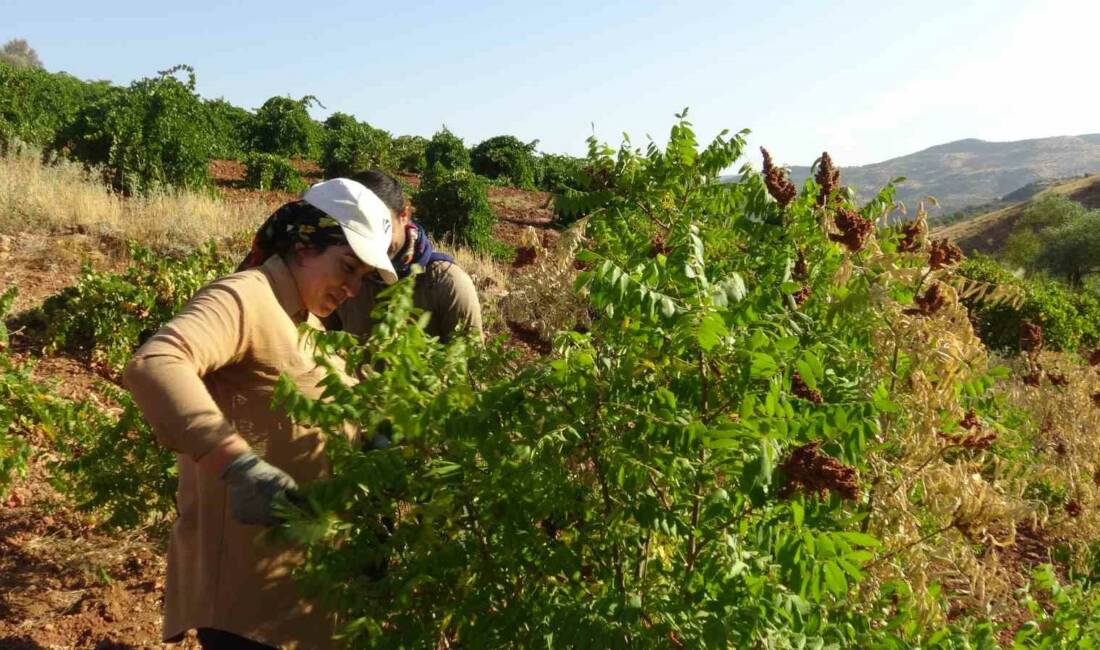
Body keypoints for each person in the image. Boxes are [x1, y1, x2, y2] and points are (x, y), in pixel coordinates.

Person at [123, 179, 396, 650]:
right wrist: (236, 464)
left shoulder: (306, 321)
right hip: (244, 605)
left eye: (362, 277)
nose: (352, 289)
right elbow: (156, 364)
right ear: (304, 245)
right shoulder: (247, 297)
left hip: (295, 597)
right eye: (347, 267)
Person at [325, 169, 482, 343]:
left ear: (404, 216)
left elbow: (470, 362)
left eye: (382, 229)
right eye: (362, 231)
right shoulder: (341, 274)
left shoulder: (447, 284)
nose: (374, 243)